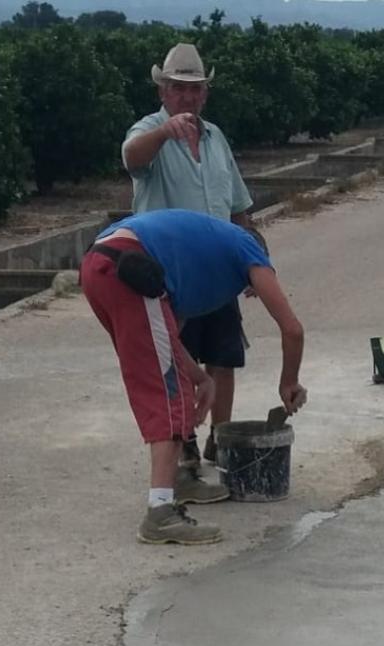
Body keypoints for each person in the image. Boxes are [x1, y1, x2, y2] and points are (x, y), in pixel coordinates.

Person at [80, 209, 306, 546]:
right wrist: (289, 382)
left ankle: (178, 479)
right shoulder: (248, 248)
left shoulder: (199, 260)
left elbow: (167, 340)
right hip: (127, 268)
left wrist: (200, 377)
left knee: (173, 381)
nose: (252, 291)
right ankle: (159, 513)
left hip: (102, 267)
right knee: (166, 392)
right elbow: (292, 329)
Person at [121, 42, 254, 472]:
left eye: (195, 90)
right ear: (163, 91)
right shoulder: (148, 131)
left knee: (224, 357)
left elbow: (237, 204)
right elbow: (131, 157)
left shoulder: (216, 139)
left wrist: (249, 259)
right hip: (170, 277)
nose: (188, 97)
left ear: (205, 94)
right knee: (177, 364)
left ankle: (222, 440)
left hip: (217, 274)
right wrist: (164, 133)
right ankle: (185, 447)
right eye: (178, 88)